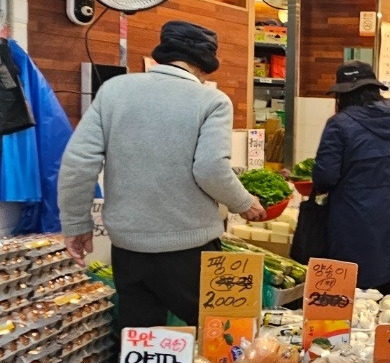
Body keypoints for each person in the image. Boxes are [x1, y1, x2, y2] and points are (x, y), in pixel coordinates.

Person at [58, 20, 265, 327]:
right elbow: (210, 169)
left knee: (142, 345)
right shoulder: (211, 100)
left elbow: (78, 161)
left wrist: (76, 223)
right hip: (190, 249)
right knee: (219, 338)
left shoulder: (114, 90)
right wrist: (244, 203)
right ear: (206, 65)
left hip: (129, 249)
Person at [312, 61, 390, 296]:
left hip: (353, 226)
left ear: (342, 95)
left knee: (351, 302)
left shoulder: (339, 125)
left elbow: (324, 177)